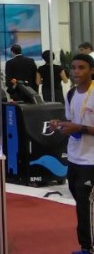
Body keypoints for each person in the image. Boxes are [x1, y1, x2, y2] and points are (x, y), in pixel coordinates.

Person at [50, 54, 94, 254]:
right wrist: (60, 125)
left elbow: (79, 126)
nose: (76, 71)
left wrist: (80, 128)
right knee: (82, 204)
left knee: (86, 205)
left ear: (91, 70)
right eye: (73, 67)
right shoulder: (71, 94)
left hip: (91, 161)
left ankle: (88, 248)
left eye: (81, 67)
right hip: (75, 158)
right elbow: (71, 123)